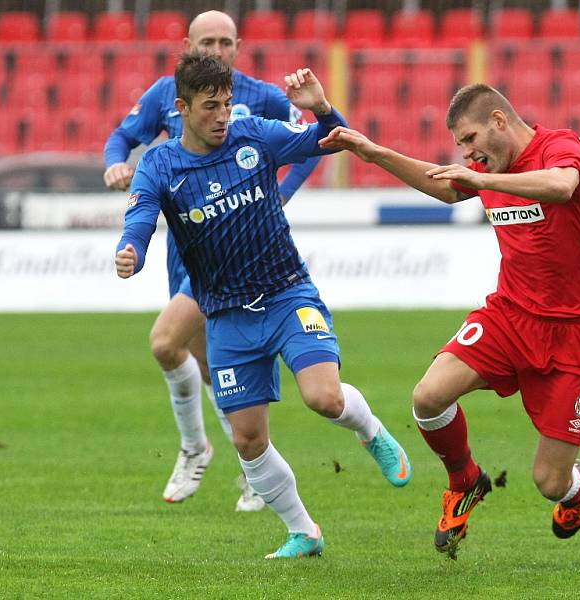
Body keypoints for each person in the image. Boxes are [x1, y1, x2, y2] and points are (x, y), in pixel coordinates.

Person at [114, 53, 412, 559]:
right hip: (226, 315)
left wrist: (322, 109)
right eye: (211, 107)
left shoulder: (254, 136)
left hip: (286, 294)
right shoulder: (161, 164)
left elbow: (327, 141)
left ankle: (372, 431)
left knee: (323, 397)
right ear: (182, 108)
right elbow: (141, 213)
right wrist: (132, 250)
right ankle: (304, 531)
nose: (222, 115)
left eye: (227, 103)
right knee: (248, 441)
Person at [319, 83, 580, 557]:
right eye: (462, 147)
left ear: (499, 120)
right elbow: (444, 186)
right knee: (428, 397)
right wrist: (373, 153)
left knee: (547, 481)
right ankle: (465, 480)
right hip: (510, 316)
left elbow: (561, 186)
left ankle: (573, 488)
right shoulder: (482, 169)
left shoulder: (559, 146)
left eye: (471, 138)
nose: (468, 152)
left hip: (576, 335)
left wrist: (482, 182)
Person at [103, 10, 321, 511]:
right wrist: (116, 163)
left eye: (225, 42)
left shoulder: (260, 96)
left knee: (164, 342)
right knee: (205, 365)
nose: (216, 51)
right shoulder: (166, 93)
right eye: (207, 43)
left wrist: (281, 193)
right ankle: (244, 463)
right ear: (187, 46)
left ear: (238, 46)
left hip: (236, 256)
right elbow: (122, 138)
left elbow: (308, 146)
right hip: (187, 251)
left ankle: (202, 450)